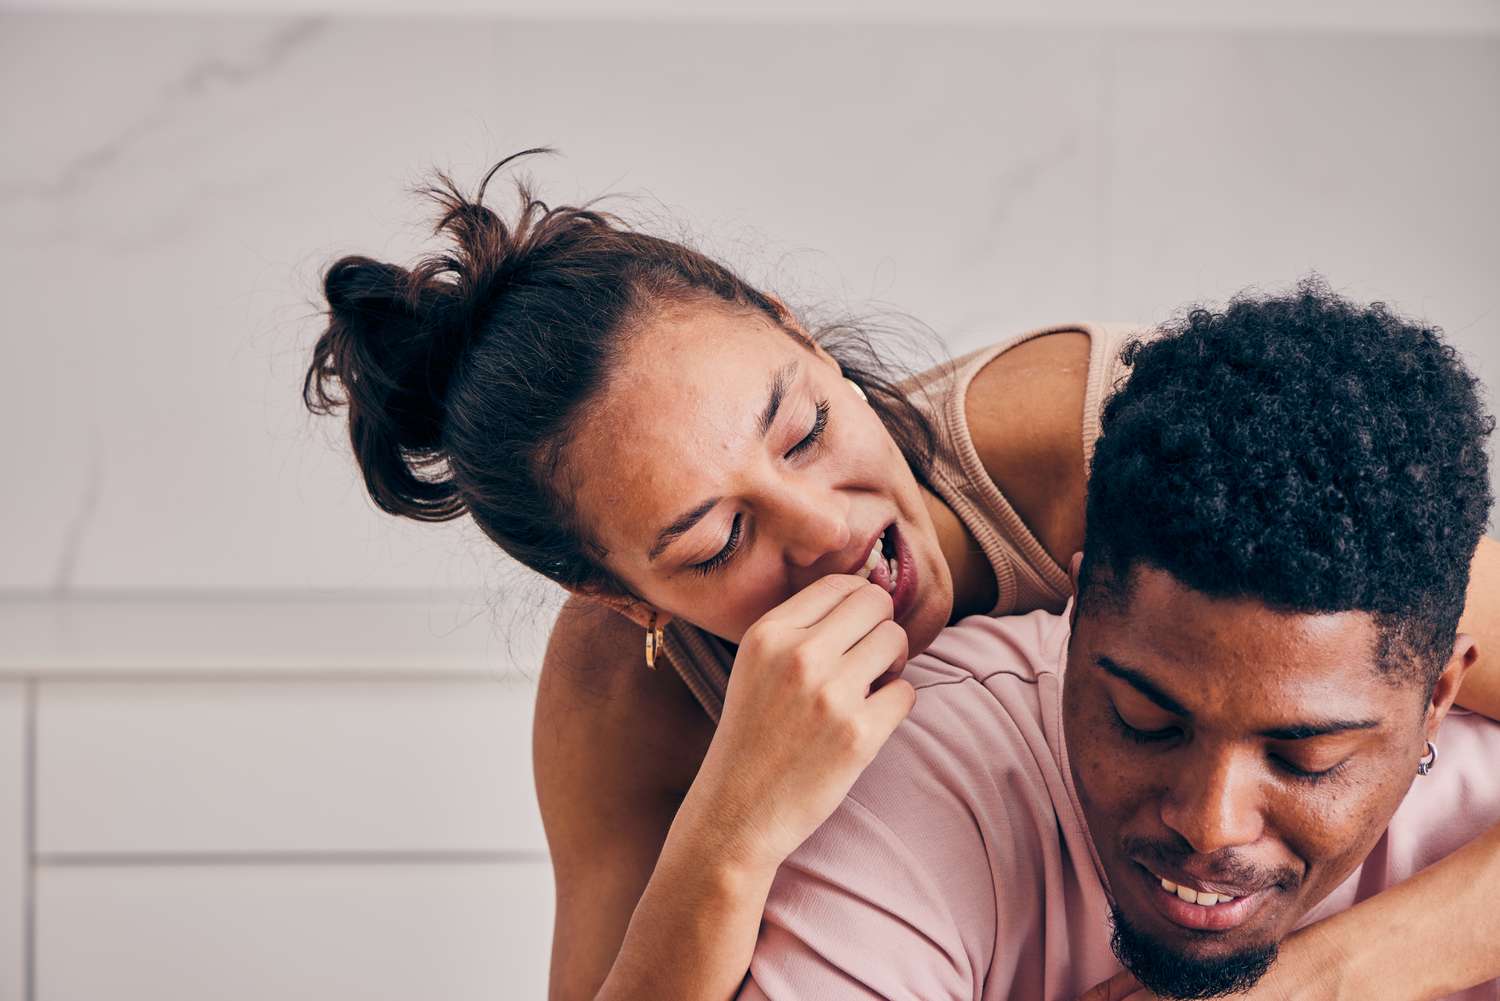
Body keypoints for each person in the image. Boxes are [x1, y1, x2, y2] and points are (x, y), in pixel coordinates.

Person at [302, 152, 1500, 1000]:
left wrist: (1316, 982)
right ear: (625, 597)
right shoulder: (625, 694)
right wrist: (733, 824)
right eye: (716, 542)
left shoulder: (1097, 444)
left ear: (802, 334)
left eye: (804, 426)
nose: (827, 528)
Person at [740, 285, 1500, 1000]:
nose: (1209, 823)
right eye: (1144, 719)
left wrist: (1324, 980)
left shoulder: (1475, 800)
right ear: (1074, 618)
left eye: (1306, 757)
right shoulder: (910, 790)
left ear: (1438, 698)